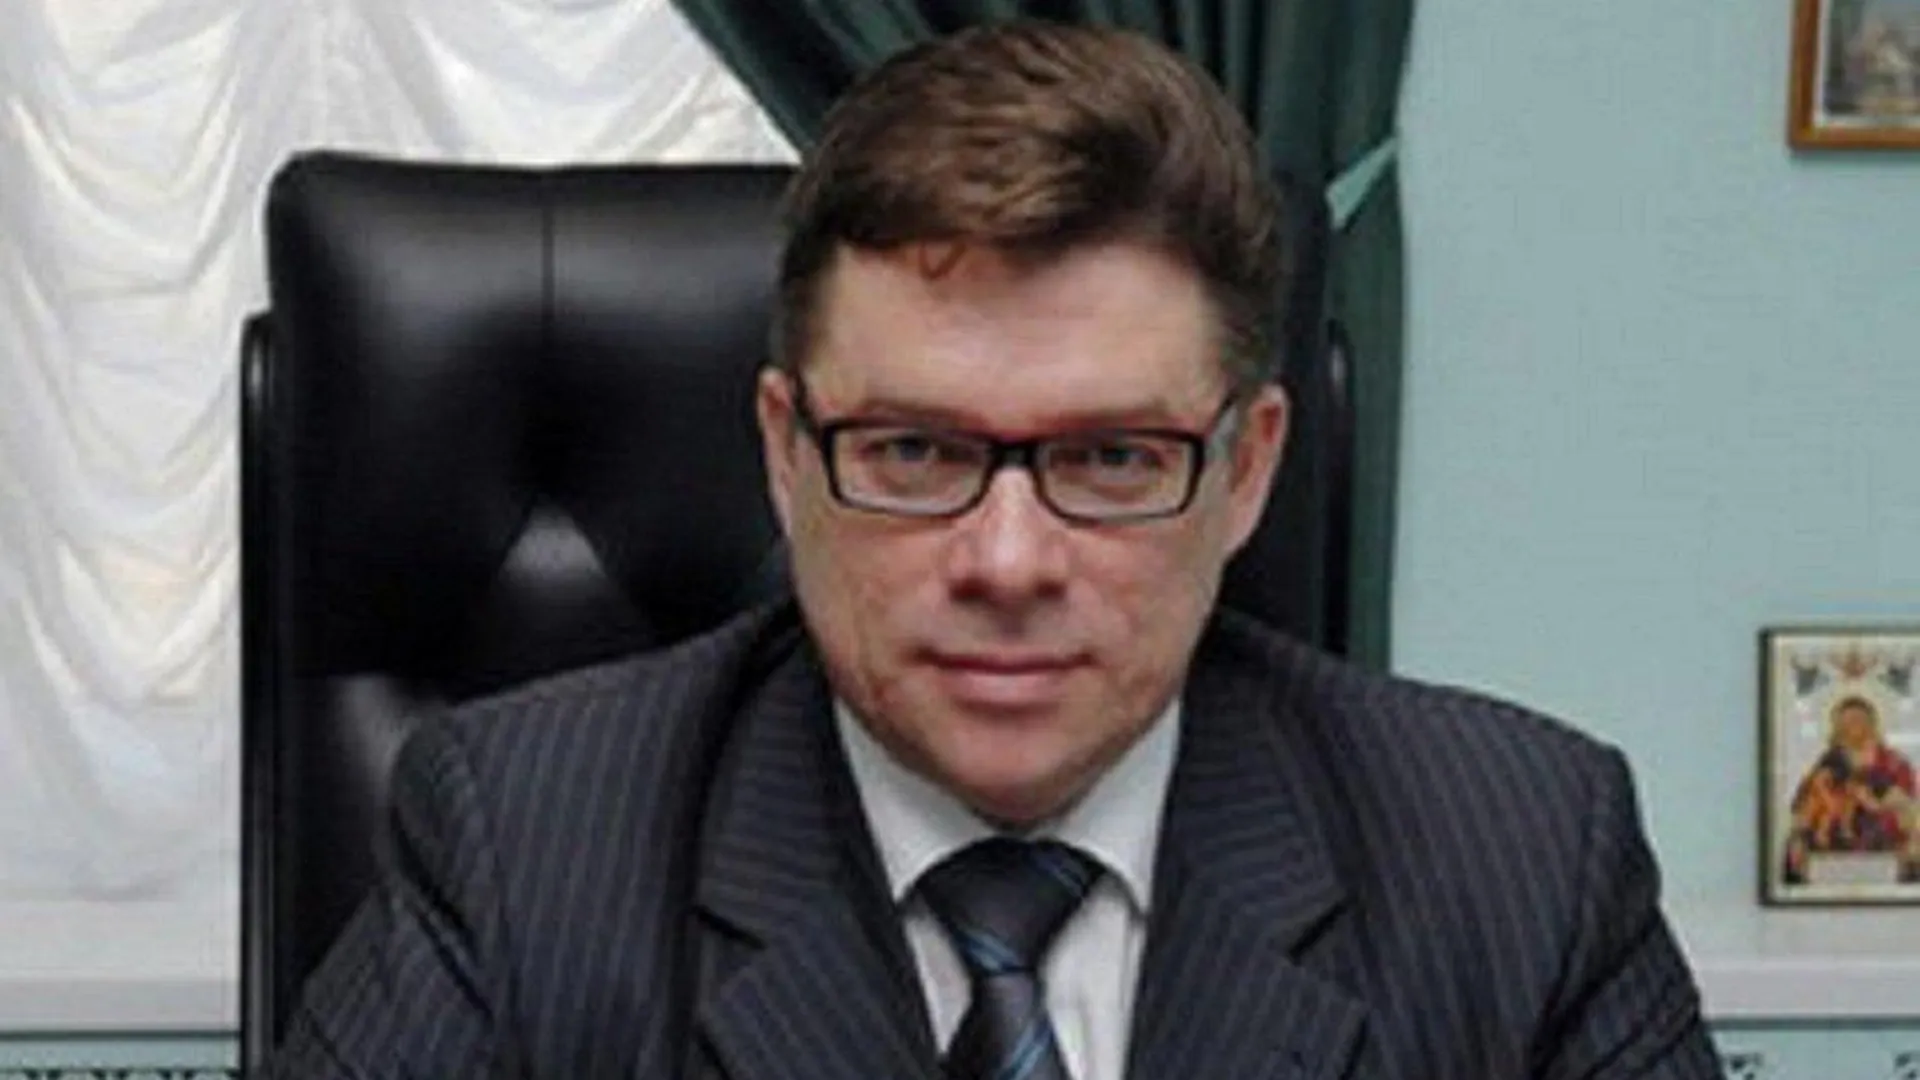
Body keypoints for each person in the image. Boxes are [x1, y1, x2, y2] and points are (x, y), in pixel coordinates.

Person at [262, 21, 1720, 1080]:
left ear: (1247, 470)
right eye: (913, 452)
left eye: (1111, 458)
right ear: (785, 452)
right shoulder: (525, 848)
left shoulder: (1521, 861)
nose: (1008, 562)